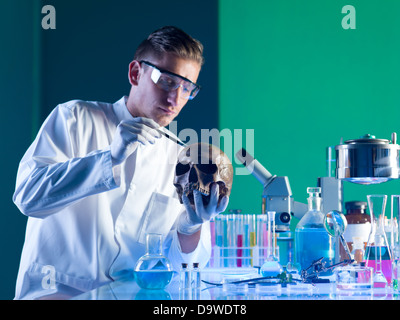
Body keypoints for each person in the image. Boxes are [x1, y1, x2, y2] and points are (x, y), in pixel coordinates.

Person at [12, 26, 228, 300]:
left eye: (187, 88)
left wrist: (191, 226)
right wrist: (110, 157)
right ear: (136, 73)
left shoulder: (181, 160)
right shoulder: (74, 118)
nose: (175, 99)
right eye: (168, 81)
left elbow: (180, 268)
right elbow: (27, 198)